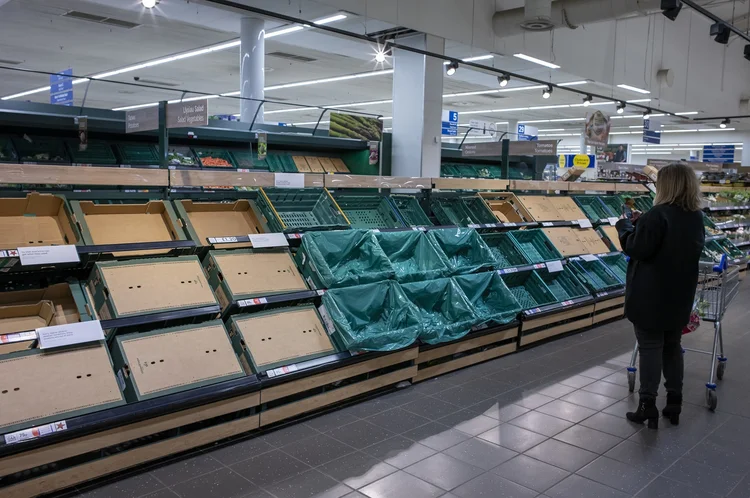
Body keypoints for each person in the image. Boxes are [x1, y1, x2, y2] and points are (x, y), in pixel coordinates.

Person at [615, 163, 705, 429]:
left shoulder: (658, 214)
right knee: (672, 346)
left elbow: (637, 249)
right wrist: (644, 222)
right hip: (680, 295)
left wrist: (624, 227)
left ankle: (647, 405)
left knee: (650, 347)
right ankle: (674, 401)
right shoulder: (695, 216)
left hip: (651, 296)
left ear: (666, 185)